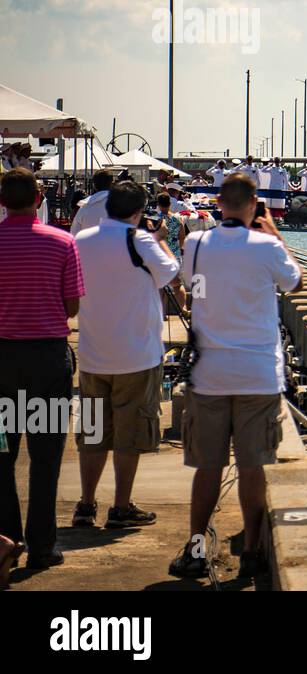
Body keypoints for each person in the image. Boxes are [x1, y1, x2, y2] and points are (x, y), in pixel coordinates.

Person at [170, 173, 302, 580]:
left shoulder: (197, 243)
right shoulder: (266, 246)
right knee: (252, 467)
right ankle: (251, 552)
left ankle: (195, 549)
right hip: (258, 374)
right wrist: (273, 230)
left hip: (209, 373)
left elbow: (187, 284)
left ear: (220, 204)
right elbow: (293, 284)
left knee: (207, 468)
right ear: (254, 203)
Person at [72, 180, 181, 531]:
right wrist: (160, 236)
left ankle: (86, 504)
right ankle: (120, 506)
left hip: (91, 355)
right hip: (136, 355)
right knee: (129, 435)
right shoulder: (141, 240)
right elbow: (170, 272)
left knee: (91, 434)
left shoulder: (79, 242)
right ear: (137, 212)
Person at [0, 168, 83, 571]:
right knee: (45, 456)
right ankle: (42, 544)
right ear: (39, 196)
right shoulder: (63, 243)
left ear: (1, 201)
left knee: (2, 455)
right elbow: (71, 308)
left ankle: (6, 541)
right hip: (48, 361)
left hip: (1, 363)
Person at [70, 168, 115, 236]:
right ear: (112, 183)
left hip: (87, 245)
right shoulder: (120, 204)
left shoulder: (84, 206)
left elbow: (74, 233)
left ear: (94, 185)